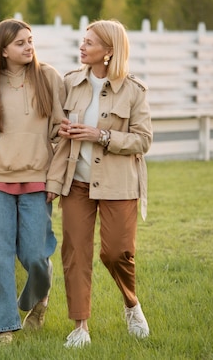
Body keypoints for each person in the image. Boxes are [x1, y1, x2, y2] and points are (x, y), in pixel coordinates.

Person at [46, 19, 152, 348]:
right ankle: (80, 327)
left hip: (119, 184)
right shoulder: (69, 83)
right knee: (75, 252)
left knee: (117, 251)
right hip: (76, 183)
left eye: (90, 42)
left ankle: (131, 303)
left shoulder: (134, 91)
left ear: (109, 51)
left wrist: (100, 136)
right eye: (83, 40)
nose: (82, 46)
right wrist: (61, 132)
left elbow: (143, 141)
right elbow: (53, 129)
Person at [0, 19, 66, 344]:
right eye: (20, 43)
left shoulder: (49, 79)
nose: (29, 47)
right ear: (3, 50)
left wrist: (55, 179)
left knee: (34, 255)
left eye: (30, 41)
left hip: (38, 179)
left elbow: (60, 132)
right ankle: (4, 326)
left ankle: (35, 299)